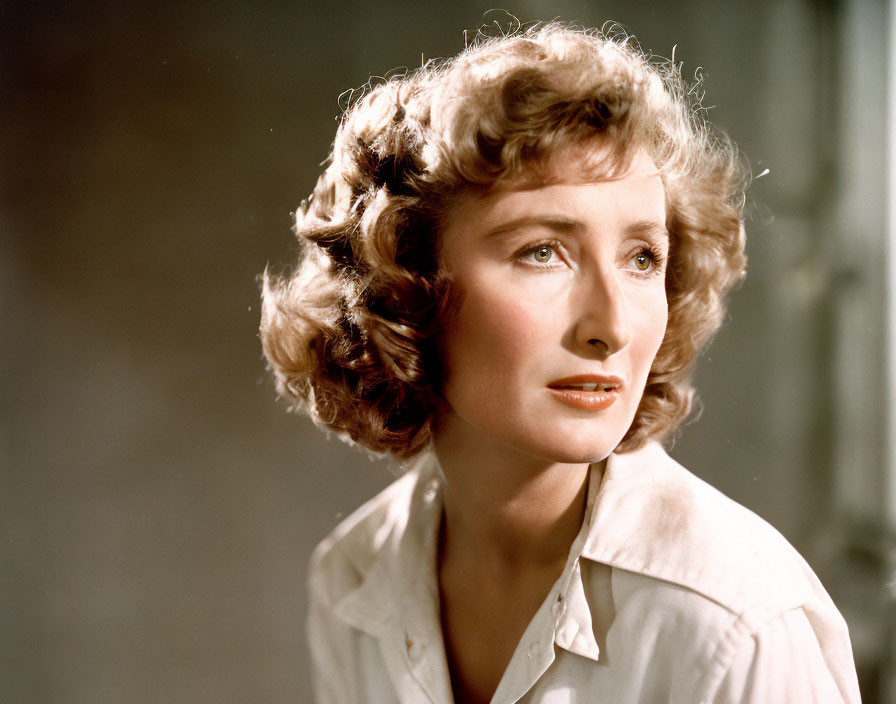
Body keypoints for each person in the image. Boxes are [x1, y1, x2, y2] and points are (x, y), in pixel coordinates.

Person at [260, 22, 862, 704]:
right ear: (406, 288)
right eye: (543, 251)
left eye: (642, 258)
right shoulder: (354, 579)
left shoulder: (735, 624)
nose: (611, 326)